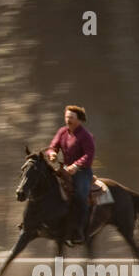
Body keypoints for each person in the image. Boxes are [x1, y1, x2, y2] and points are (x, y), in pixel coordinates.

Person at [45, 105, 95, 245]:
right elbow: (52, 146)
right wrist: (52, 153)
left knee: (80, 196)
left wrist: (76, 165)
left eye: (71, 117)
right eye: (67, 117)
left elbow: (89, 155)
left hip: (82, 172)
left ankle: (80, 231)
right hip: (65, 170)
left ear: (79, 119)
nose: (68, 120)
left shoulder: (86, 135)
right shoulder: (62, 132)